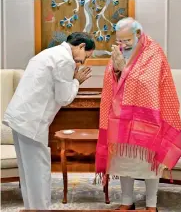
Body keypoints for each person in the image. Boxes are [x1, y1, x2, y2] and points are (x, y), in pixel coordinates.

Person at [96, 18, 181, 212]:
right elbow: (113, 83)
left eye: (126, 40)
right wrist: (116, 69)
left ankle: (152, 204)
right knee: (123, 160)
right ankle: (127, 201)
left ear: (138, 34)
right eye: (120, 40)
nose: (123, 44)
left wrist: (123, 70)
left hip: (149, 118)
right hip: (121, 117)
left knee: (150, 163)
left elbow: (150, 82)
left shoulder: (154, 51)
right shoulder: (118, 52)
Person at [3, 32, 95, 209]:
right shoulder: (65, 60)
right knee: (39, 170)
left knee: (27, 170)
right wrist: (76, 81)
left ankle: (32, 208)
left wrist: (72, 79)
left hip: (19, 117)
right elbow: (64, 97)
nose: (82, 62)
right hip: (31, 121)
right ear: (82, 46)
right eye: (86, 57)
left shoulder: (48, 53)